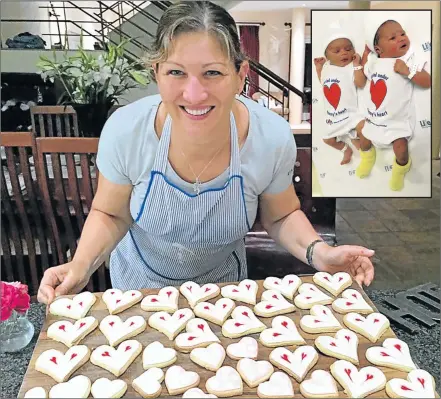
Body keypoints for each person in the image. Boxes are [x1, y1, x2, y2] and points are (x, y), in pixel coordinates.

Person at [37, 1, 375, 305]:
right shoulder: (127, 132)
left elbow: (282, 216)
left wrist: (321, 254)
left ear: (241, 75)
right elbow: (110, 214)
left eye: (212, 72)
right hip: (139, 293)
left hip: (224, 295)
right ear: (156, 73)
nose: (194, 94)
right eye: (176, 72)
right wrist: (80, 267)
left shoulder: (269, 137)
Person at [356, 17, 431, 191]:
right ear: (378, 49)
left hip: (395, 122)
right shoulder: (374, 63)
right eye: (393, 38)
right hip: (374, 119)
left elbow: (427, 81)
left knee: (401, 148)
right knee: (362, 132)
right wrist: (366, 55)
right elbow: (363, 71)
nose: (401, 38)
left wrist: (408, 72)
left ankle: (401, 167)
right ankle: (367, 157)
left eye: (402, 34)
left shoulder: (408, 61)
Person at [314, 30, 366, 165]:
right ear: (327, 57)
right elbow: (324, 82)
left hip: (350, 115)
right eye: (337, 51)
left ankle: (367, 155)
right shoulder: (327, 69)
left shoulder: (350, 68)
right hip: (333, 117)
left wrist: (357, 65)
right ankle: (345, 149)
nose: (344, 53)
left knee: (362, 131)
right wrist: (319, 68)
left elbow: (361, 83)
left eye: (348, 49)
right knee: (327, 139)